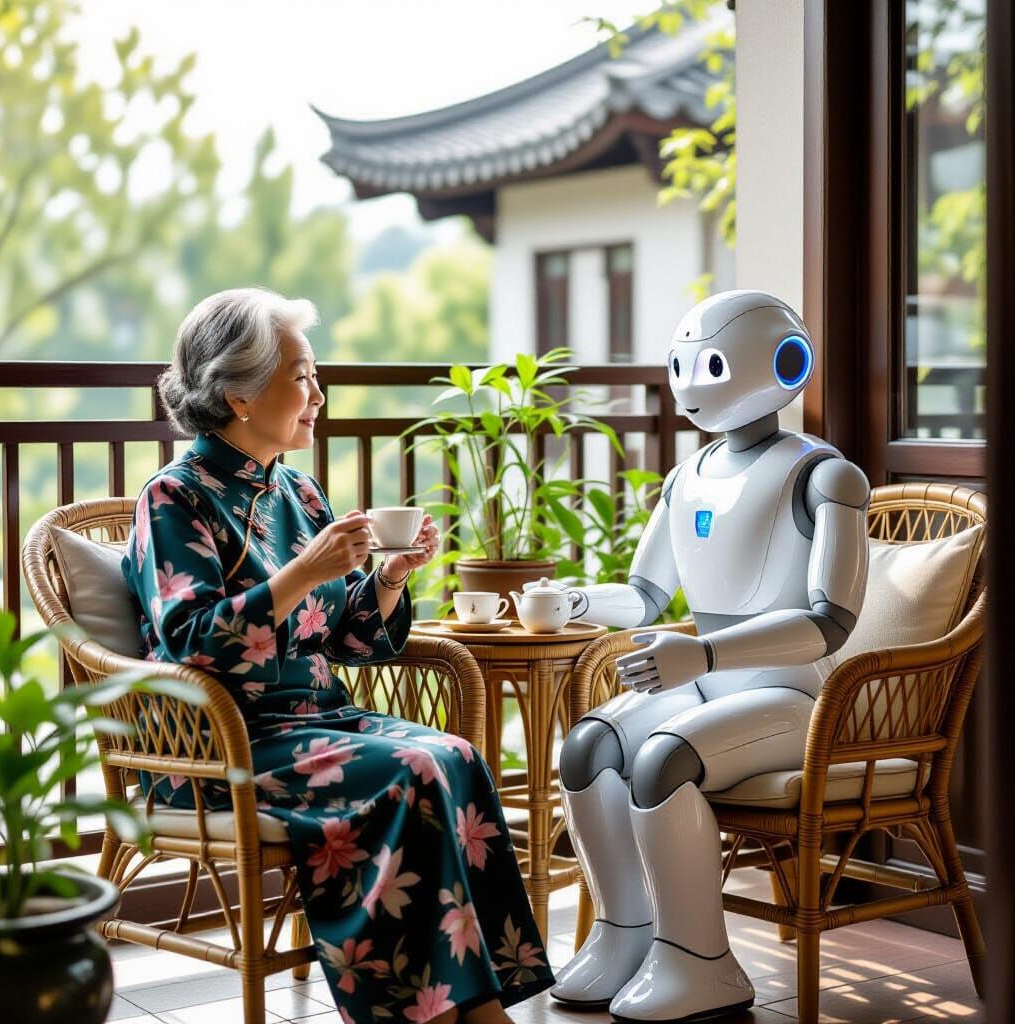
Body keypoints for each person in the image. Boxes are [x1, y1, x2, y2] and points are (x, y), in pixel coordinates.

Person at [122, 288, 553, 1024]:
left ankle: (472, 1006)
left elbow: (351, 639)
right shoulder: (175, 496)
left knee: (454, 755)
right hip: (228, 744)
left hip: (319, 721)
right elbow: (191, 640)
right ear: (239, 394)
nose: (319, 395)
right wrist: (304, 574)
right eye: (303, 376)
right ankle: (435, 1014)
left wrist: (387, 578)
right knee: (410, 770)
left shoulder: (300, 492)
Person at [549, 290, 870, 1023]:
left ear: (788, 362)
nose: (693, 383)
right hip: (708, 685)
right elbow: (644, 592)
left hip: (794, 701)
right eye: (681, 365)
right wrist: (577, 601)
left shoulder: (825, 476)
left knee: (664, 760)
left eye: (713, 364)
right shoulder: (684, 477)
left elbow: (830, 621)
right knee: (589, 745)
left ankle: (700, 962)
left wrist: (703, 653)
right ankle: (624, 934)